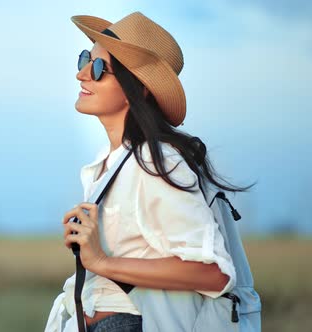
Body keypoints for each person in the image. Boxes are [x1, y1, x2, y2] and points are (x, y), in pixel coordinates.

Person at [44, 12, 255, 332]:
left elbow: (214, 273)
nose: (83, 74)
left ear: (138, 89)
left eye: (99, 68)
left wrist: (101, 262)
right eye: (85, 59)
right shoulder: (107, 164)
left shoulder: (158, 162)